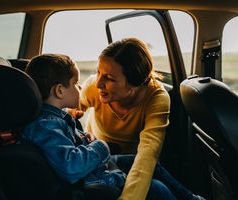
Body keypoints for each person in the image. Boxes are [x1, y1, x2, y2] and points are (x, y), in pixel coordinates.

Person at [19, 53, 177, 200]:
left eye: (109, 78)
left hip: (96, 168)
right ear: (60, 91)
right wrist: (100, 146)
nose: (82, 88)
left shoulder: (56, 118)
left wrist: (85, 139)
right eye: (76, 83)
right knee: (157, 188)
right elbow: (71, 167)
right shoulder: (47, 125)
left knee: (146, 165)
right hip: (95, 180)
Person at [75, 38, 205, 200]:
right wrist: (73, 113)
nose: (99, 83)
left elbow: (147, 155)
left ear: (134, 84)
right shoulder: (93, 88)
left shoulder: (156, 98)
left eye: (109, 77)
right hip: (101, 158)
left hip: (135, 160)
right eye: (98, 72)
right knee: (157, 187)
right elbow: (65, 109)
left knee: (154, 176)